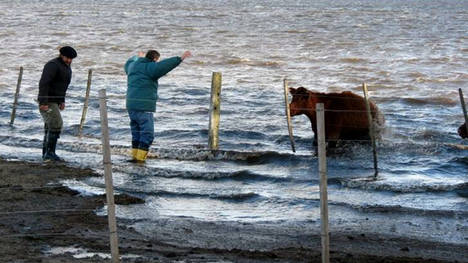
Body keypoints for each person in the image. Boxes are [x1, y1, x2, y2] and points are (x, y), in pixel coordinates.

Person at [124, 50, 192, 162]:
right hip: (144, 106)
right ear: (155, 59)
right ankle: (140, 160)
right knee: (147, 134)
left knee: (136, 133)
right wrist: (180, 58)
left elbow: (127, 63)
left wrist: (137, 57)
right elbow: (164, 66)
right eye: (157, 60)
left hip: (131, 105)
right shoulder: (150, 68)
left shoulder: (133, 66)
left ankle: (134, 157)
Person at [38, 46, 77, 162]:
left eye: (71, 59)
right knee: (56, 124)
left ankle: (47, 154)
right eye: (67, 58)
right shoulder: (53, 65)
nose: (69, 60)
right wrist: (43, 102)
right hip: (48, 100)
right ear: (61, 55)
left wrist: (62, 100)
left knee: (50, 126)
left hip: (55, 100)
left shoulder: (66, 67)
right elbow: (44, 83)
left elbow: (62, 86)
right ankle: (50, 154)